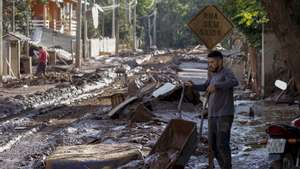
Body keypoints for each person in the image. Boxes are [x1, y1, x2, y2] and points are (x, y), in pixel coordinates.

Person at [186, 50, 239, 169]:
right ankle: (224, 166)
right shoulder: (213, 75)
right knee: (213, 146)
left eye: (212, 62)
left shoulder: (226, 72)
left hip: (224, 115)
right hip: (212, 115)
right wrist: (193, 85)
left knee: (222, 144)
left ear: (220, 61)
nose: (210, 64)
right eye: (208, 62)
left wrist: (217, 86)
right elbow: (205, 87)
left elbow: (235, 82)